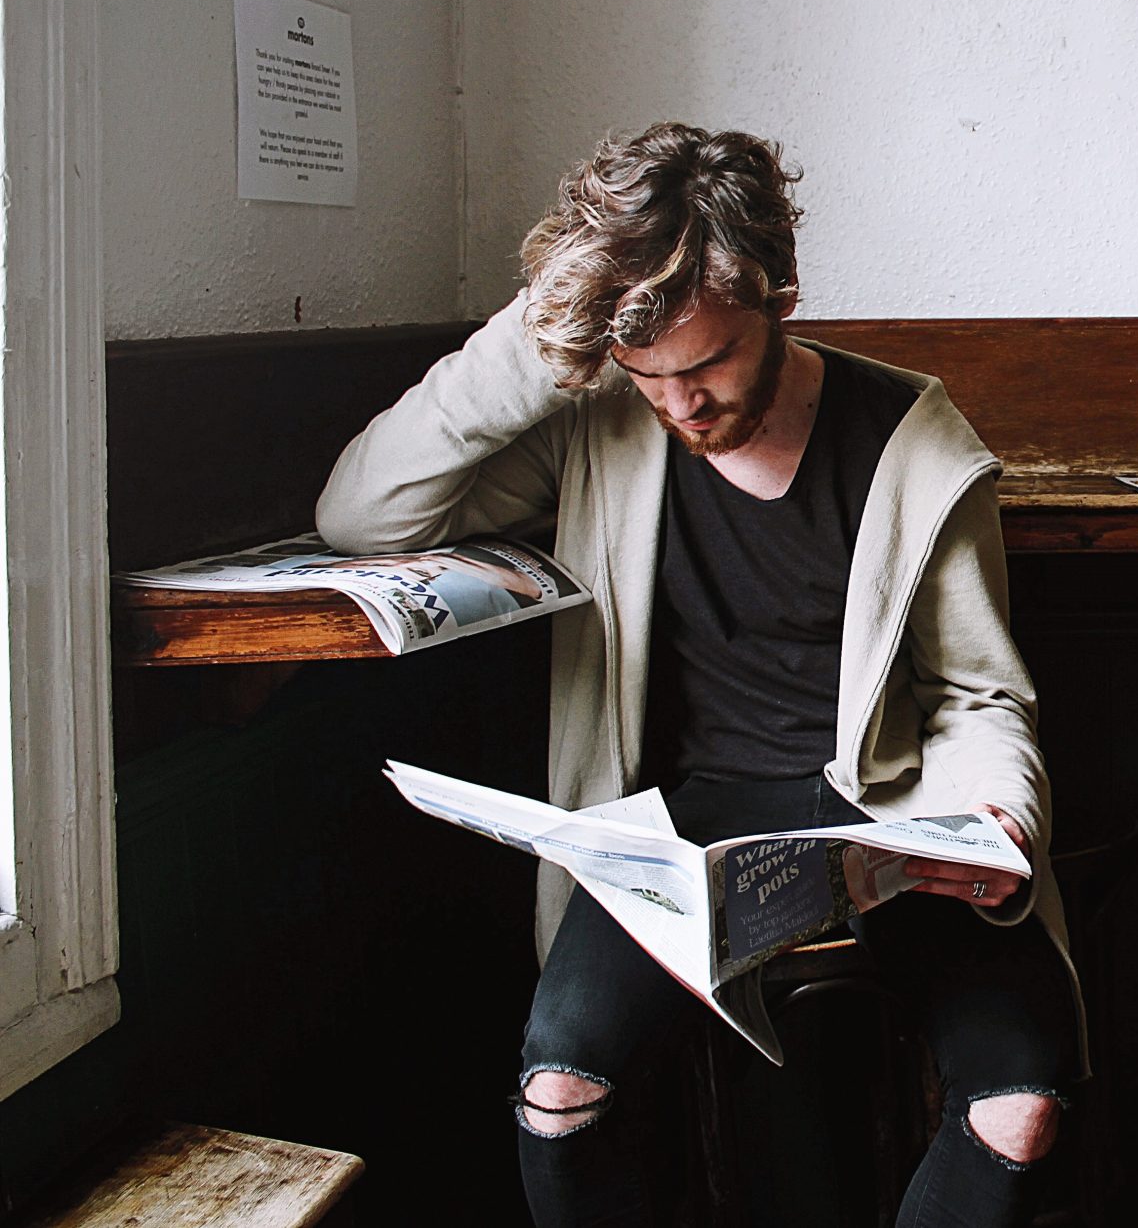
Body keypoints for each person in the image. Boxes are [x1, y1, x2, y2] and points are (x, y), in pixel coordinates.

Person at [317, 123, 1078, 1228]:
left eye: (709, 364)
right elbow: (363, 512)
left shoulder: (906, 436)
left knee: (1018, 1107)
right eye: (649, 373)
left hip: (885, 813)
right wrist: (542, 340)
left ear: (781, 299)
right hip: (669, 831)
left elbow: (975, 692)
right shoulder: (603, 420)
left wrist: (999, 813)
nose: (681, 405)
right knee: (558, 1097)